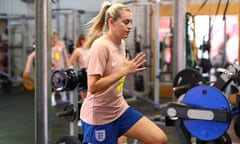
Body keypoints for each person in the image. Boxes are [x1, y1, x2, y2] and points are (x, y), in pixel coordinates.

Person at [80, 1, 168, 144]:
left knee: (159, 139)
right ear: (111, 22)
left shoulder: (120, 43)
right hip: (99, 117)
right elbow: (93, 86)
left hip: (119, 110)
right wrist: (124, 70)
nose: (130, 27)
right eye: (126, 22)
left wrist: (125, 68)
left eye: (131, 22)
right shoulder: (100, 46)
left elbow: (114, 73)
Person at [23, 30, 69, 106]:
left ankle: (63, 95)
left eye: (54, 40)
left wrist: (69, 65)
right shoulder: (45, 47)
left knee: (62, 83)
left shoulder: (61, 45)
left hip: (61, 69)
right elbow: (30, 56)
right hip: (51, 69)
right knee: (52, 84)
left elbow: (65, 56)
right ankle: (52, 98)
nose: (53, 42)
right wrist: (27, 70)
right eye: (51, 41)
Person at [67, 33, 89, 100]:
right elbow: (69, 63)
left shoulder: (89, 49)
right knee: (85, 99)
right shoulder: (77, 51)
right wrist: (73, 73)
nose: (89, 41)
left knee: (91, 98)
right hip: (83, 76)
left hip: (90, 74)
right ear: (82, 41)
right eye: (87, 40)